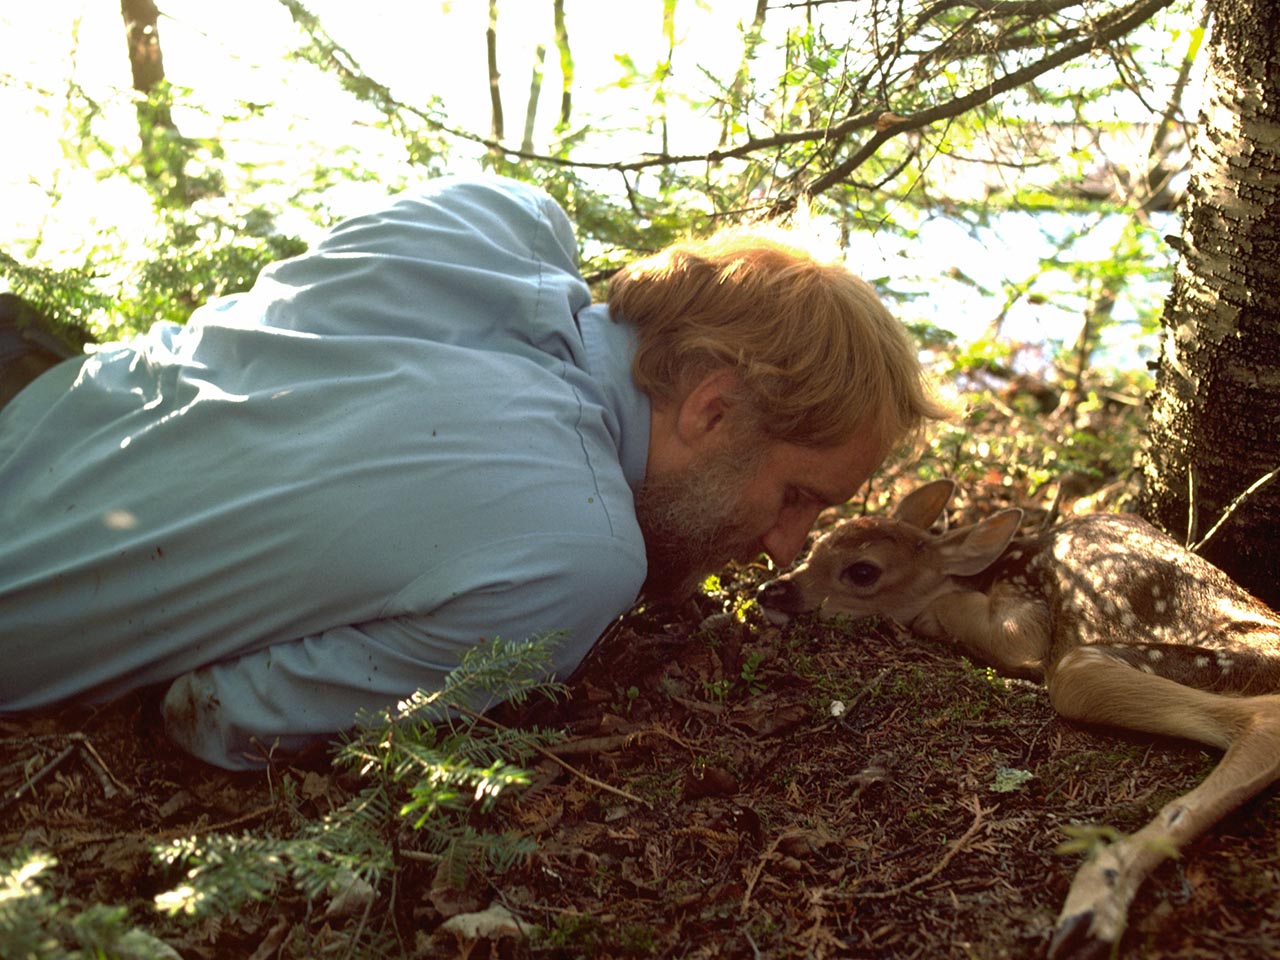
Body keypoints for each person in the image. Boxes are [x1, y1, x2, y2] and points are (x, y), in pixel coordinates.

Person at [0, 175, 948, 769]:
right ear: (715, 408)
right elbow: (215, 718)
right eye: (796, 500)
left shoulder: (491, 218)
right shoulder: (579, 552)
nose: (783, 548)